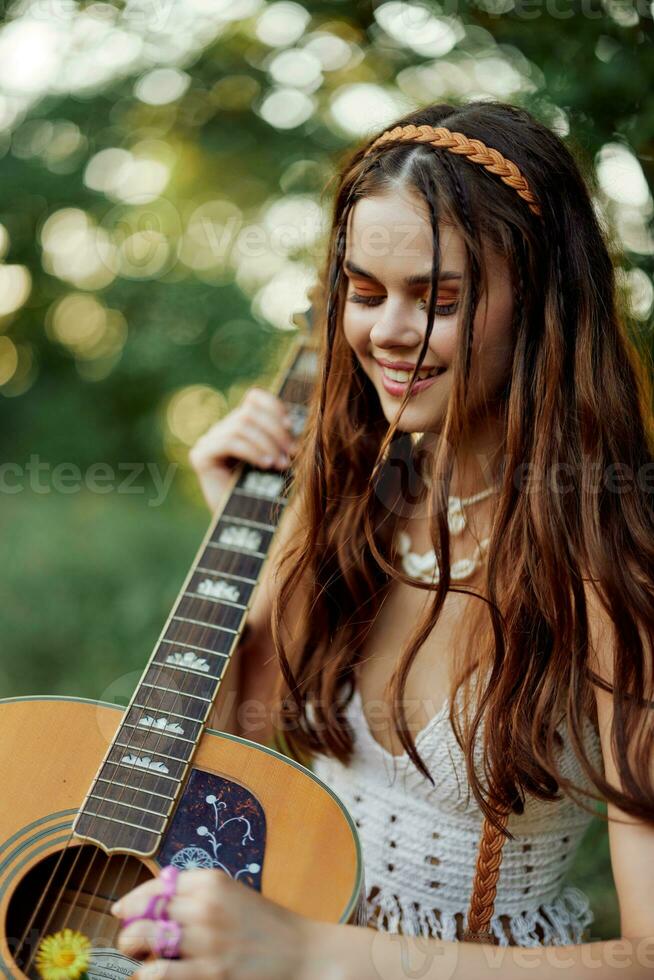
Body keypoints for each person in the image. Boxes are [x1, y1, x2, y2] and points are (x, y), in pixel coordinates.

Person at [111, 100, 654, 978]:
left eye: (438, 300)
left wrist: (315, 954)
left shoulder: (612, 563)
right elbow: (210, 792)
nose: (389, 332)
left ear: (540, 307)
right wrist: (241, 547)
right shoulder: (353, 507)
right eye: (364, 293)